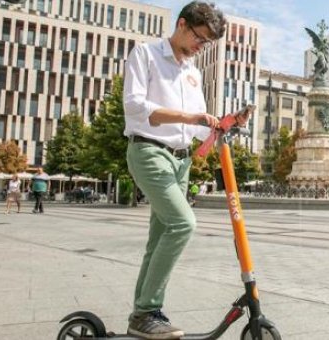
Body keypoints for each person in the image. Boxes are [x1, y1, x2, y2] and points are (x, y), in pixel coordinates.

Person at [122, 2, 228, 339]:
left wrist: (222, 125)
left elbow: (198, 129)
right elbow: (136, 106)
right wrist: (189, 118)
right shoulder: (146, 54)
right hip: (149, 150)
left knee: (158, 239)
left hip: (180, 161)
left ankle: (142, 314)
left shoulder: (192, 72)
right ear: (182, 24)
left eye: (208, 43)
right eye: (200, 38)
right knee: (183, 223)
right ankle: (147, 309)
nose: (202, 46)